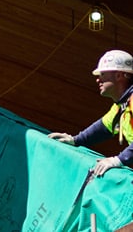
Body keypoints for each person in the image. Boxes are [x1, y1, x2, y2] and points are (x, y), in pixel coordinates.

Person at [50, 49, 133, 177]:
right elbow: (104, 127)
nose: (98, 80)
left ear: (118, 76)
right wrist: (75, 140)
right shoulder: (122, 105)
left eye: (103, 74)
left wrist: (118, 160)